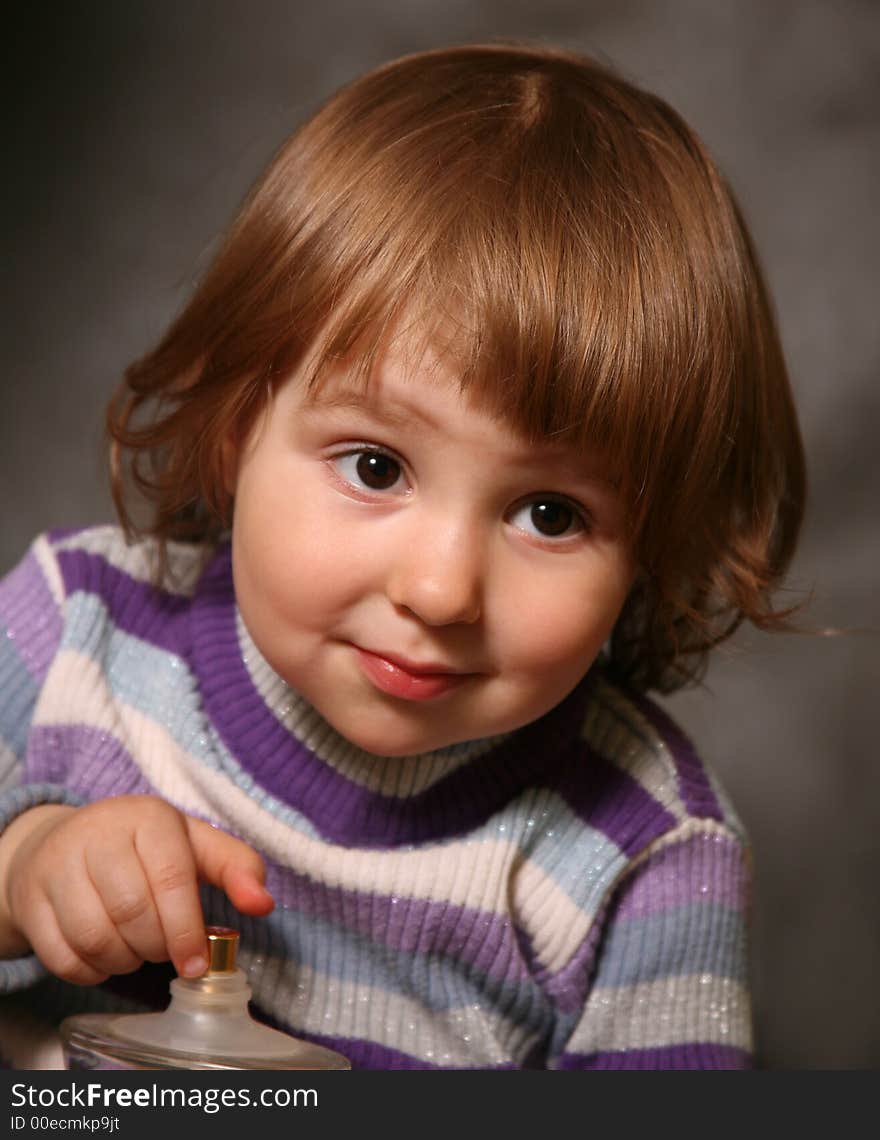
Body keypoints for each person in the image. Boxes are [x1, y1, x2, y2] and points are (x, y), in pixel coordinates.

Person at [0, 41, 805, 1070]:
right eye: (375, 466)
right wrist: (22, 872)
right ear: (242, 422)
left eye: (550, 514)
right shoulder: (69, 629)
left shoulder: (643, 858)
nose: (438, 590)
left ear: (648, 547)